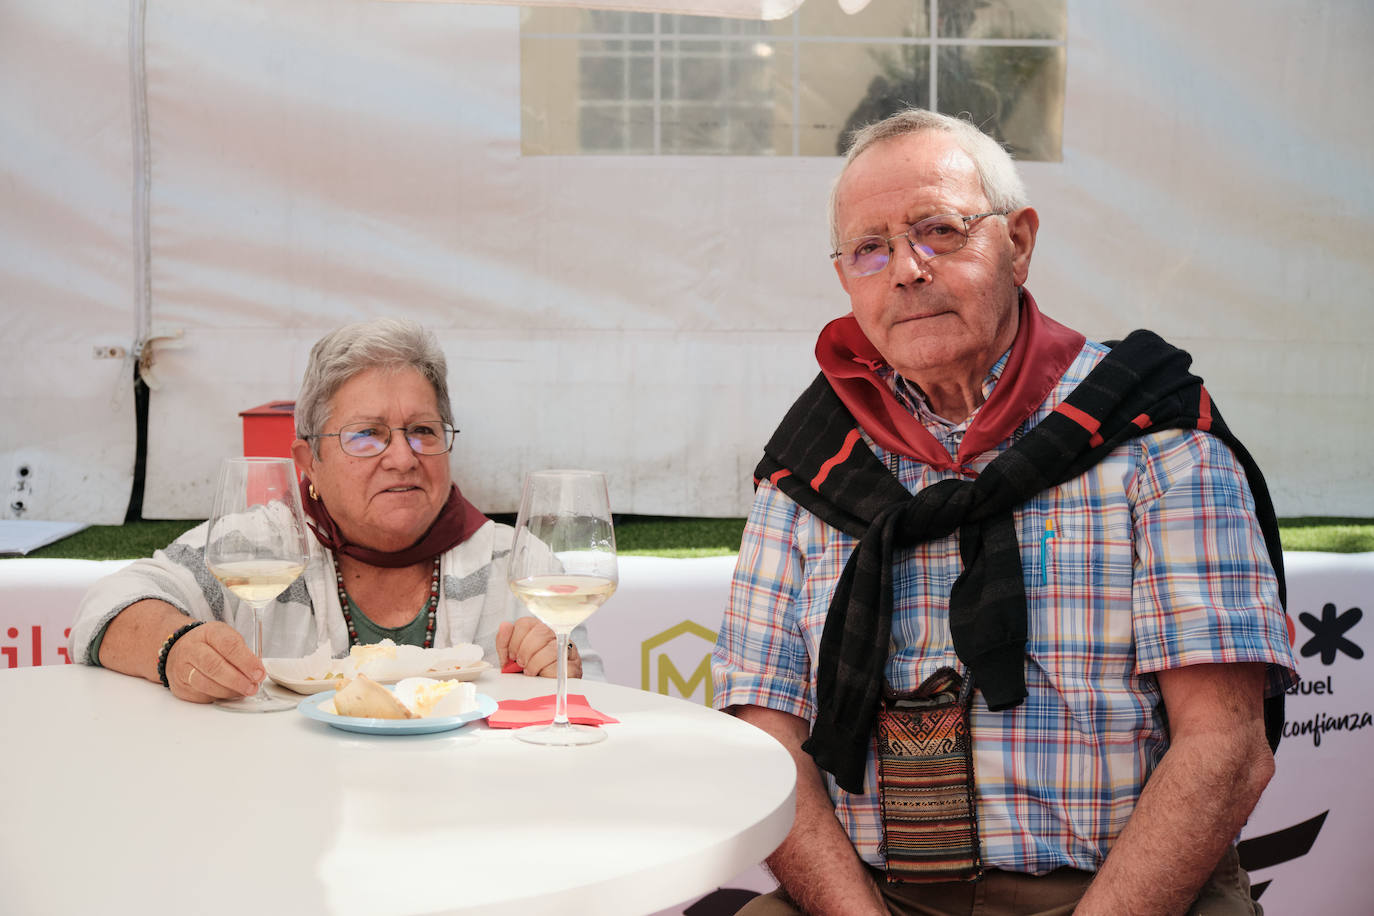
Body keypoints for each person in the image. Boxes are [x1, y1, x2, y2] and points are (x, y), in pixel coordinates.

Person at [712, 109, 1298, 916]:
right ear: (846, 277)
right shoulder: (811, 465)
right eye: (870, 249)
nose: (906, 270)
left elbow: (1227, 747)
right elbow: (764, 738)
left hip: (1118, 893)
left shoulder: (1154, 436)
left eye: (940, 230)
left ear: (1018, 242)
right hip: (869, 896)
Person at [70, 318, 600, 702]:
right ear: (310, 463)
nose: (402, 457)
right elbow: (106, 606)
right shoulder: (259, 546)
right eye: (367, 435)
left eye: (422, 431)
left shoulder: (514, 562)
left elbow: (595, 699)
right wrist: (176, 648)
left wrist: (560, 673)